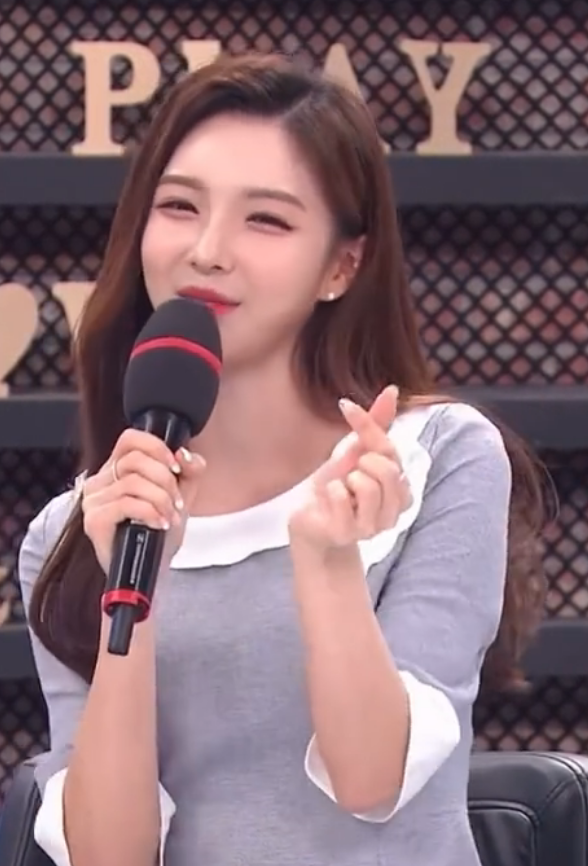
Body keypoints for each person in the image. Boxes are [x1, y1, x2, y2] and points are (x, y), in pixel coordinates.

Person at [18, 52, 546, 866]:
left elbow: (371, 779)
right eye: (179, 206)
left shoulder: (436, 458)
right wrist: (135, 594)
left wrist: (328, 564)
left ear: (342, 265)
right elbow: (109, 855)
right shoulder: (79, 527)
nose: (207, 251)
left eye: (265, 220)